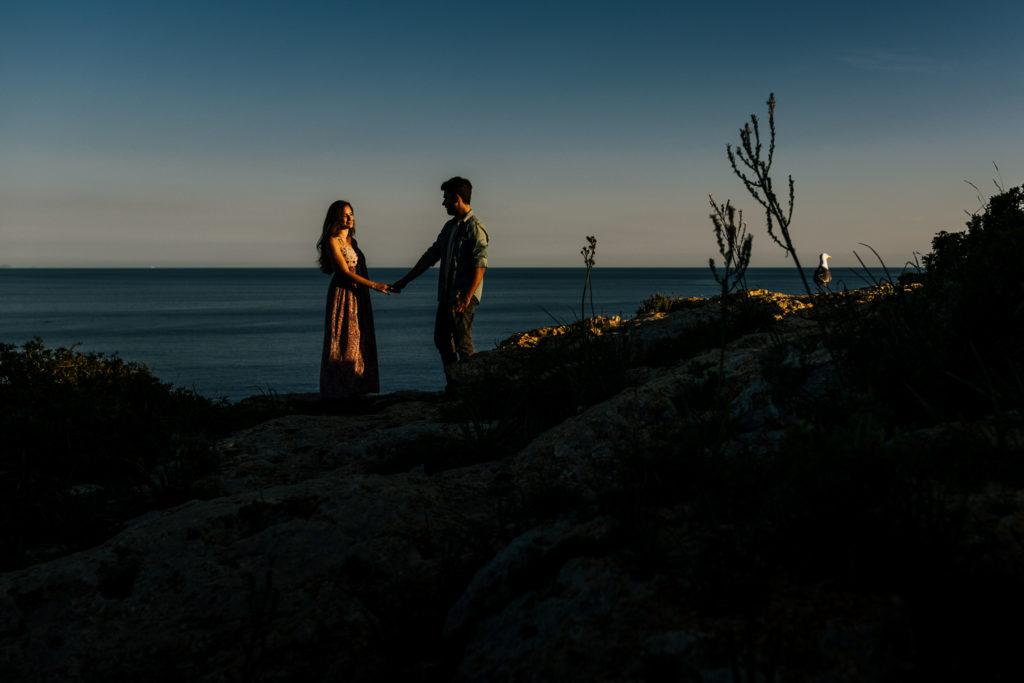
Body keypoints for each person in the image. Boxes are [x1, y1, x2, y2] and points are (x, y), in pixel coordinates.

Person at [391, 176, 488, 386]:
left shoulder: (474, 228)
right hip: (446, 297)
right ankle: (455, 384)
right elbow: (430, 256)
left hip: (462, 297)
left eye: (445, 198)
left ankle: (471, 391)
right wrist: (405, 281)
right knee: (442, 339)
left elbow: (480, 266)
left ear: (457, 198)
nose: (443, 203)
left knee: (463, 344)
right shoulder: (449, 228)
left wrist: (468, 296)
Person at [316, 200, 390, 402]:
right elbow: (343, 272)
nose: (350, 218)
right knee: (342, 340)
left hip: (358, 295)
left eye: (352, 214)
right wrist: (375, 285)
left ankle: (357, 386)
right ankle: (339, 391)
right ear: (336, 217)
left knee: (359, 339)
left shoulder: (352, 241)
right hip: (343, 295)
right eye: (345, 214)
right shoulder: (333, 241)